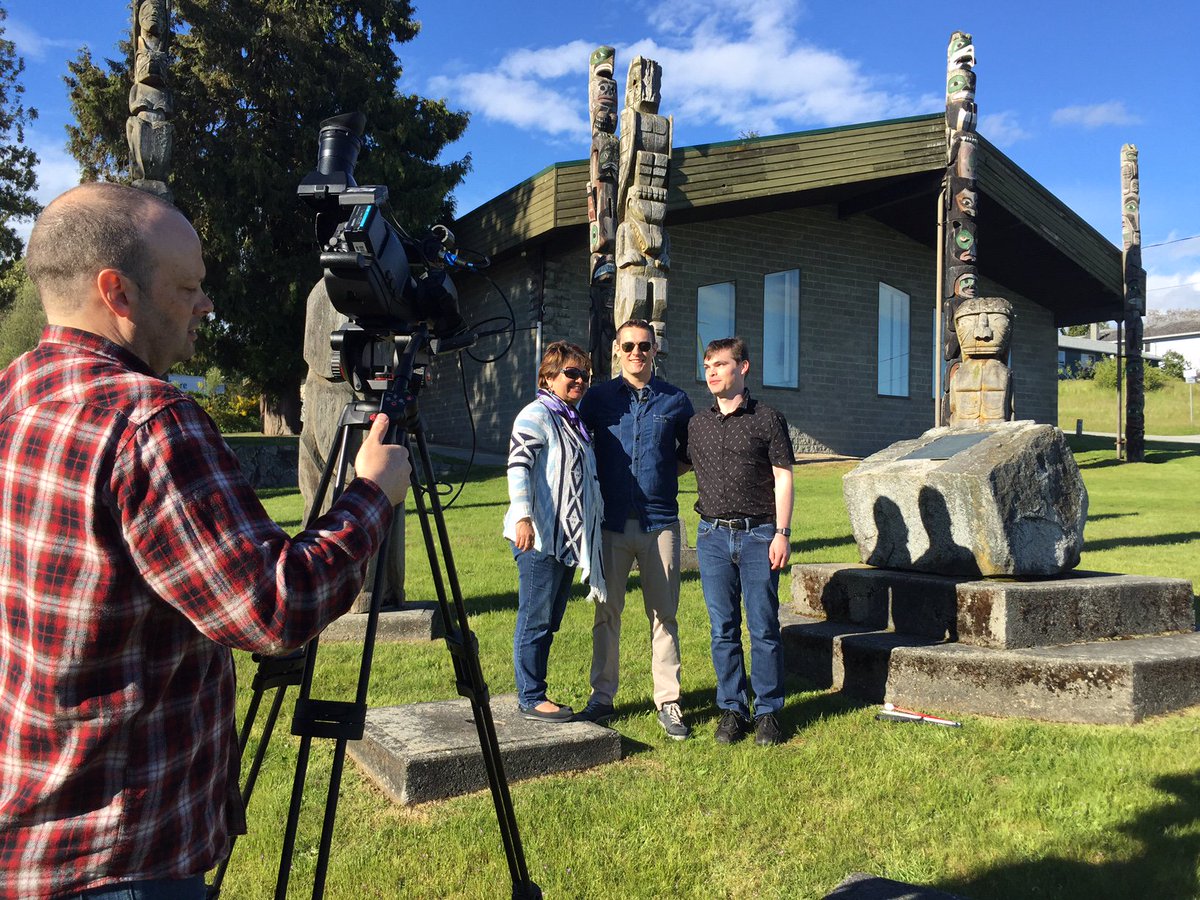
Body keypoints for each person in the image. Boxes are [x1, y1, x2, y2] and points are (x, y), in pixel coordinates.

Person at [0, 182, 412, 899]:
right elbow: (274, 607)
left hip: (31, 828)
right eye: (188, 285)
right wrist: (371, 495)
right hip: (121, 854)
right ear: (117, 293)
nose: (206, 303)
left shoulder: (16, 393)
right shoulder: (148, 422)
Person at [575, 319, 694, 739]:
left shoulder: (676, 400)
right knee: (607, 613)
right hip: (609, 525)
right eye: (628, 346)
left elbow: (689, 453)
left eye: (643, 346)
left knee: (664, 615)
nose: (636, 353)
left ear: (655, 348)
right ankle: (602, 697)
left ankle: (668, 701)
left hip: (660, 523)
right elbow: (577, 446)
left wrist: (660, 477)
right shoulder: (597, 399)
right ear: (617, 351)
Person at [688, 337, 794, 746]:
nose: (712, 372)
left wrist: (782, 533)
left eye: (720, 364)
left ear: (743, 367)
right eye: (707, 365)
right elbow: (676, 465)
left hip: (759, 536)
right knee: (723, 629)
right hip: (711, 537)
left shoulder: (767, 418)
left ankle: (768, 712)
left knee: (764, 626)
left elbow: (783, 476)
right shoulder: (697, 424)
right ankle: (732, 708)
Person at [503, 341, 606, 721]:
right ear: (548, 377)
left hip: (562, 540)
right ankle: (531, 697)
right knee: (535, 618)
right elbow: (518, 466)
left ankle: (535, 691)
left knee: (549, 620)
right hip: (538, 536)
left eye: (585, 375)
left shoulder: (570, 419)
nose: (579, 380)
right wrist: (523, 516)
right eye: (571, 373)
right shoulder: (537, 414)